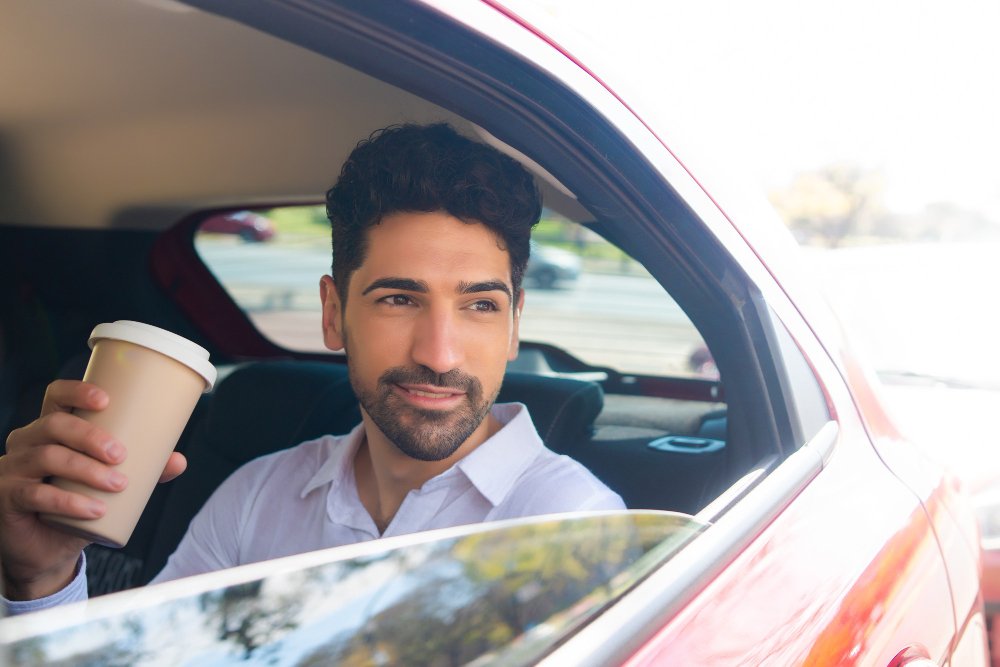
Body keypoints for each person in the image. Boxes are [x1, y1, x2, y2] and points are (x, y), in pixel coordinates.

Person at [0, 123, 623, 613]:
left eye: (480, 305)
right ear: (333, 313)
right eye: (399, 299)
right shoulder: (255, 496)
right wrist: (43, 577)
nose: (439, 354)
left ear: (514, 324)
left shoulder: (576, 530)